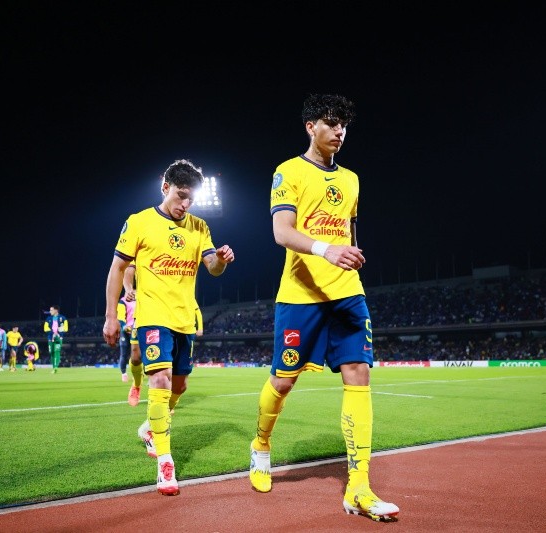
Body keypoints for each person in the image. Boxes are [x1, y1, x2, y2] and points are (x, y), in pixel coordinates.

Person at [248, 94, 399, 522]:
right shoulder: (288, 171)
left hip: (348, 293)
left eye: (345, 126)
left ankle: (359, 487)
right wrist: (325, 249)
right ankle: (260, 446)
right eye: (332, 124)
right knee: (282, 382)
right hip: (300, 295)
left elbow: (349, 232)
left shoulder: (351, 179)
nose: (339, 132)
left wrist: (347, 253)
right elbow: (281, 231)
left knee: (359, 375)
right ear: (310, 126)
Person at [103, 158, 235, 496]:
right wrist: (110, 316)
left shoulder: (199, 227)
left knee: (180, 385)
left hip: (183, 318)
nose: (185, 204)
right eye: (180, 196)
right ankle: (165, 461)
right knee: (159, 379)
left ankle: (151, 427)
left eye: (190, 198)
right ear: (165, 188)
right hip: (152, 317)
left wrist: (220, 259)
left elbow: (212, 268)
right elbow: (117, 269)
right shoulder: (139, 222)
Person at [44, 306, 68, 373]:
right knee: (51, 352)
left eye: (51, 310)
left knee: (57, 351)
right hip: (50, 338)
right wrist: (53, 332)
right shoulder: (48, 318)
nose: (50, 311)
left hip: (59, 337)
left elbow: (66, 328)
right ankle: (54, 366)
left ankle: (55, 368)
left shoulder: (63, 318)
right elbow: (45, 328)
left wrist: (58, 332)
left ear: (56, 310)